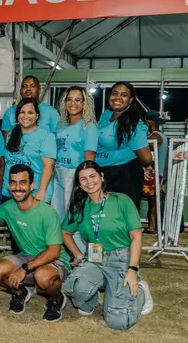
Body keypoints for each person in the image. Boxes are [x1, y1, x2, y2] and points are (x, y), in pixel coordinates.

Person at [61, 161, 153, 329]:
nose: (89, 182)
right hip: (95, 258)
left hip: (121, 259)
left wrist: (132, 269)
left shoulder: (122, 200)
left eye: (92, 176)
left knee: (117, 322)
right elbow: (65, 232)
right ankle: (90, 304)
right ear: (79, 185)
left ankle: (140, 290)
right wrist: (78, 255)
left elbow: (136, 236)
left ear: (101, 176)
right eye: (83, 179)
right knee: (77, 288)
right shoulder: (79, 207)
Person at [0, 164, 71, 322]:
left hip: (54, 261)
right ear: (8, 185)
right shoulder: (8, 207)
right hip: (26, 256)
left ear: (32, 186)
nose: (17, 187)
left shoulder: (47, 212)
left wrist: (24, 269)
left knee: (43, 276)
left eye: (22, 182)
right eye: (13, 182)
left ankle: (56, 299)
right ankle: (21, 293)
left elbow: (54, 251)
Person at [51, 86, 98, 252]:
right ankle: (66, 257)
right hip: (57, 176)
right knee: (58, 219)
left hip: (75, 176)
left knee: (74, 220)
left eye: (78, 100)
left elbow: (89, 160)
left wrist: (85, 184)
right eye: (69, 99)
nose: (73, 103)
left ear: (85, 103)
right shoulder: (61, 125)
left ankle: (83, 258)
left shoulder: (88, 127)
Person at [96, 82, 153, 210]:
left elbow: (146, 159)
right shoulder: (105, 116)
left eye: (124, 95)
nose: (117, 97)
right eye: (114, 93)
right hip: (102, 174)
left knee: (123, 219)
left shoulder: (133, 124)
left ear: (130, 100)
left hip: (124, 175)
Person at [2, 98, 56, 205]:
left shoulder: (46, 136)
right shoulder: (11, 134)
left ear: (37, 116)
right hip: (11, 192)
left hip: (35, 192)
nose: (25, 116)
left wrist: (41, 192)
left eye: (30, 112)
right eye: (22, 112)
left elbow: (48, 167)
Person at [145, 110, 168, 234]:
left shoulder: (155, 137)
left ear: (150, 122)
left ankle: (153, 226)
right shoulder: (160, 135)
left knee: (153, 200)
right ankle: (153, 226)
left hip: (155, 173)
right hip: (158, 172)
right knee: (153, 199)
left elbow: (146, 150)